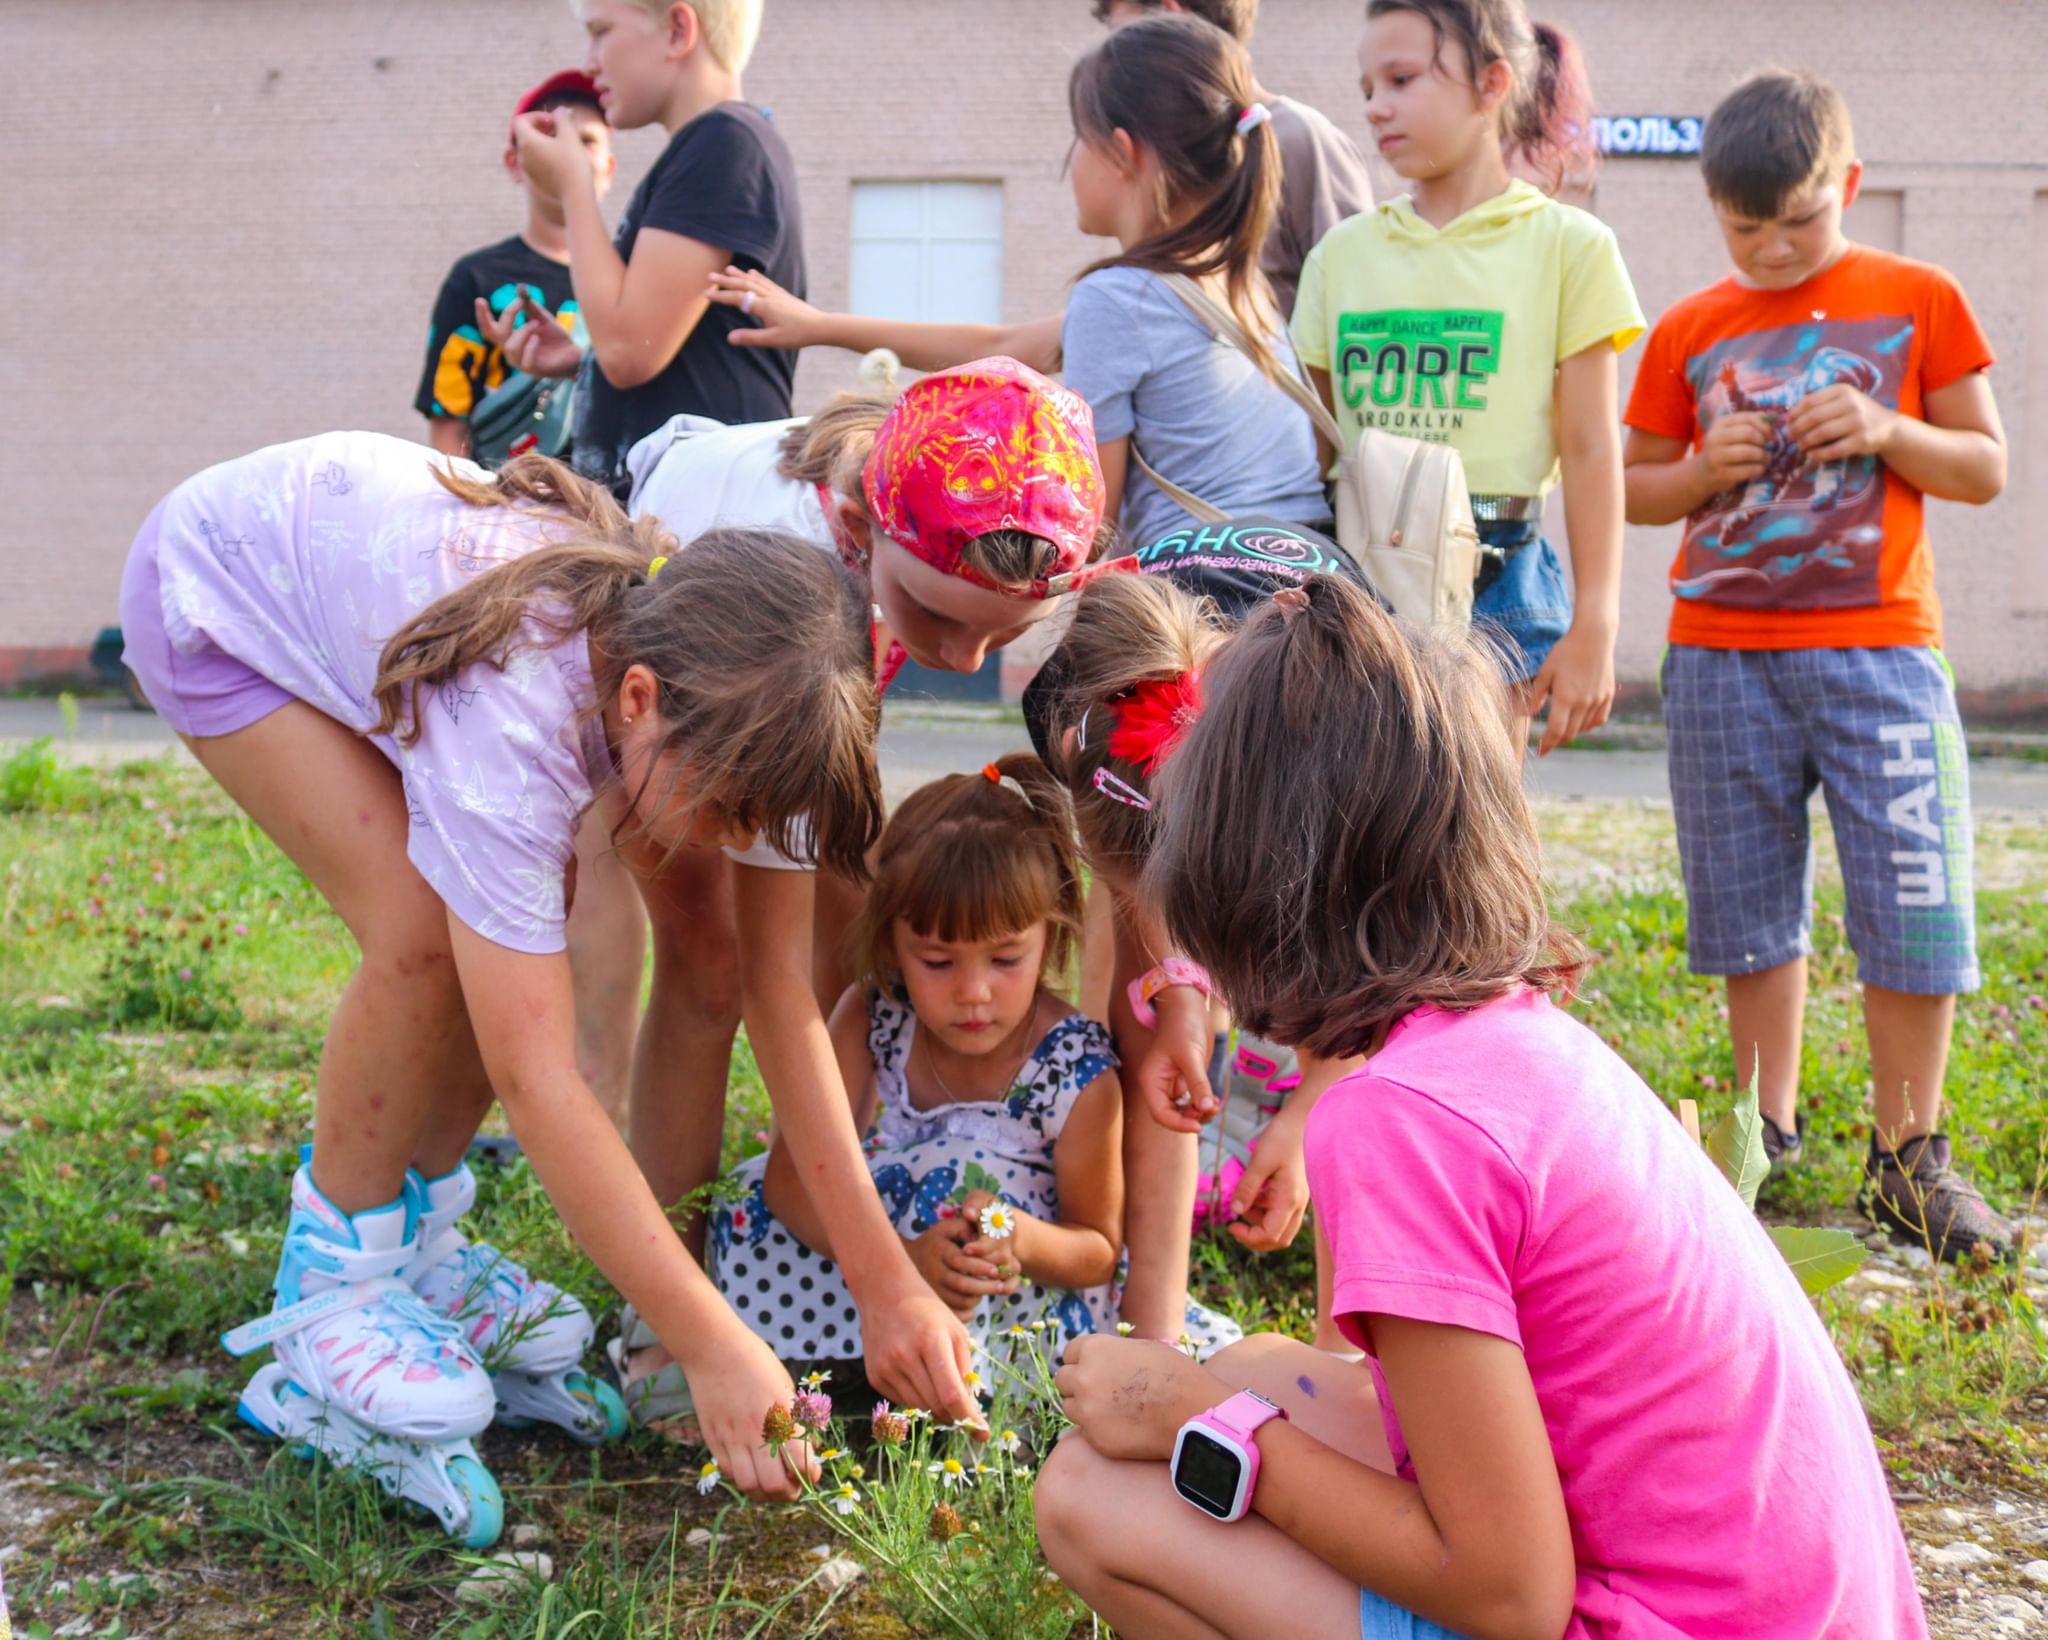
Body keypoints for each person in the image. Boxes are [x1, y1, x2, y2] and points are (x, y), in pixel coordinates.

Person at [1036, 573, 1929, 1639]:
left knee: (1093, 1496)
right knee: (1251, 1365)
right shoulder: (1516, 1043)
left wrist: (1195, 1421)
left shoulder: (1396, 1119)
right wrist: (1220, 1398)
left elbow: (1507, 1594)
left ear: (1237, 880)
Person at [119, 432, 893, 1534]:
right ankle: (334, 1286)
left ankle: (418, 1248)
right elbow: (540, 1083)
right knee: (422, 938)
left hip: (327, 564)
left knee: (491, 936)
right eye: (726, 810)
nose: (729, 843)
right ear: (638, 696)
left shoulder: (627, 674)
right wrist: (711, 1337)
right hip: (211, 593)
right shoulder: (515, 713)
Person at [610, 359, 1118, 1428]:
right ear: (866, 522)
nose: (962, 657)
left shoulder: (906, 542)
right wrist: (887, 1280)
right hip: (698, 680)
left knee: (861, 927)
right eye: (939, 621)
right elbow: (768, 987)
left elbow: (825, 958)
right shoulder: (804, 568)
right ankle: (665, 1314)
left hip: (800, 650)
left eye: (998, 635)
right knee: (708, 960)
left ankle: (864, 1198)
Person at [1622, 71, 2011, 1261]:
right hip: (1719, 656)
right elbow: (1632, 487)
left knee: (1910, 894)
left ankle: (1907, 1161)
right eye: (1747, 228)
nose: (1776, 246)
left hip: (1879, 648)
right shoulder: (1689, 328)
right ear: (1712, 212)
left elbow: (1983, 463)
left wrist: (1889, 429)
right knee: (1744, 911)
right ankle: (1759, 1137)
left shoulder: (1917, 297)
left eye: (1797, 218)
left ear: (1842, 185)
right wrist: (1701, 470)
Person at [704, 15, 1331, 546]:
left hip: (1211, 589)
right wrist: (823, 328)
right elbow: (1005, 345)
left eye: (1077, 142)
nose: (1069, 166)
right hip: (1303, 560)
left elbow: (1088, 523)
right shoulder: (1225, 282)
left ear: (1122, 152)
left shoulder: (1118, 300)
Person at [1023, 523, 1373, 1344]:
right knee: (1154, 1033)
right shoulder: (1069, 705)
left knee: (1361, 1087)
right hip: (1164, 635)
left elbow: (1369, 988)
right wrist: (1174, 998)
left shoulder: (1329, 751)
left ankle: (1347, 1354)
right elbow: (1140, 927)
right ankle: (1152, 1327)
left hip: (1333, 671)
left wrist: (1307, 1113)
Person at [1289, 0, 1643, 755]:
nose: (1377, 108)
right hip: (1357, 571)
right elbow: (1310, 452)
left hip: (1498, 570)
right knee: (1348, 839)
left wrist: (1597, 623)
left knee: (1470, 843)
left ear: (1492, 84)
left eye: (1402, 78)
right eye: (1367, 89)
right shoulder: (1340, 255)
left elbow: (1589, 450)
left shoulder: (1570, 247)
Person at [709, 755, 1147, 1358]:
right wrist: (895, 1264)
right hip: (874, 1266)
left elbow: (1097, 1247)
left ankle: (973, 1380)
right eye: (938, 962)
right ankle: (830, 1359)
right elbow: (789, 1183)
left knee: (968, 1172)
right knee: (745, 1199)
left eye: (1004, 959)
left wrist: (1019, 1239)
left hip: (1010, 1298)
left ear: (1050, 934)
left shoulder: (1076, 1069)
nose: (973, 992)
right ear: (892, 940)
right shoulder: (874, 1017)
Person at [484, 0, 805, 492]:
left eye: (601, 31)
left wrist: (573, 185)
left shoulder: (724, 144)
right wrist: (581, 361)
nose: (590, 63)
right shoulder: (713, 147)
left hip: (706, 530)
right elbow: (673, 350)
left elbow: (630, 352)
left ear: (678, 30)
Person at [1088, 0, 1373, 318]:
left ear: (1171, 15)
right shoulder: (1158, 157)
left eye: (1117, 33)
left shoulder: (1302, 138)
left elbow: (1360, 301)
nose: (1109, 57)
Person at [414, 70, 615, 463]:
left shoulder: (635, 274)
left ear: (610, 167)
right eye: (552, 137)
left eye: (586, 140)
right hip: (509, 509)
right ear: (515, 163)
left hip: (619, 510)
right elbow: (448, 425)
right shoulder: (476, 278)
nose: (570, 152)